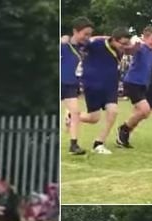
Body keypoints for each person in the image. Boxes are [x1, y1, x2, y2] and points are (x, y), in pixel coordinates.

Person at [79, 27, 133, 154]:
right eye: (123, 43)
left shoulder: (121, 50)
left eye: (127, 43)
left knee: (113, 111)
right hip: (93, 84)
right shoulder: (97, 44)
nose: (125, 46)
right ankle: (73, 116)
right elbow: (80, 44)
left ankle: (99, 143)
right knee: (93, 118)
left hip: (110, 85)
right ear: (114, 40)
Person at [115, 26, 152, 148]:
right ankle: (123, 129)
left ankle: (123, 137)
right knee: (144, 110)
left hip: (143, 85)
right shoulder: (140, 47)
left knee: (143, 113)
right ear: (144, 38)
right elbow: (129, 51)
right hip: (132, 83)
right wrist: (130, 48)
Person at [61, 17, 94, 155]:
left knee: (75, 112)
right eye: (85, 34)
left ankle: (73, 144)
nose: (87, 37)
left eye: (89, 34)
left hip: (71, 84)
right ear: (75, 31)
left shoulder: (83, 47)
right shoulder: (63, 45)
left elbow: (99, 39)